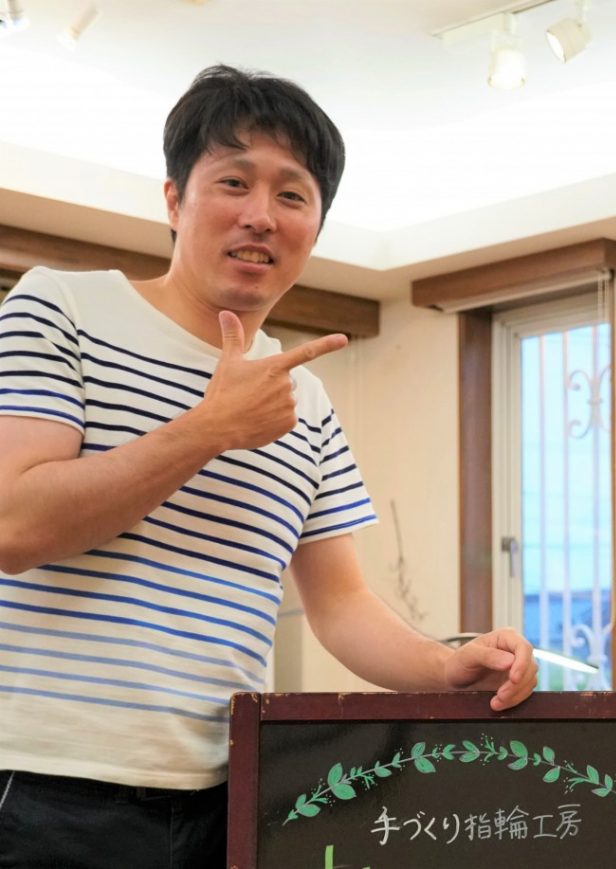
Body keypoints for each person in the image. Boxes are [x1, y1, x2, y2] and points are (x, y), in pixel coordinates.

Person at [0, 65, 537, 868]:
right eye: (233, 181)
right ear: (174, 199)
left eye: (292, 194)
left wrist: (444, 663)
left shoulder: (304, 398)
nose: (261, 214)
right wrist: (210, 428)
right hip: (46, 788)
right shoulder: (61, 308)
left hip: (233, 793)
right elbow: (13, 524)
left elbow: (340, 603)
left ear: (315, 226)